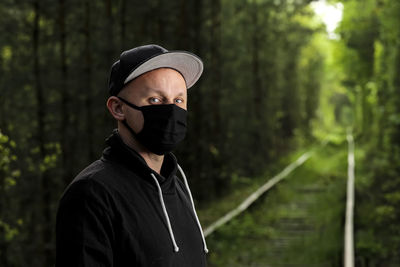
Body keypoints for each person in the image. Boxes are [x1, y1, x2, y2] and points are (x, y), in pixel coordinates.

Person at [55, 44, 208, 267]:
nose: (171, 111)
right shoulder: (91, 195)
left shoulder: (176, 185)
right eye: (155, 100)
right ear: (118, 108)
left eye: (178, 100)